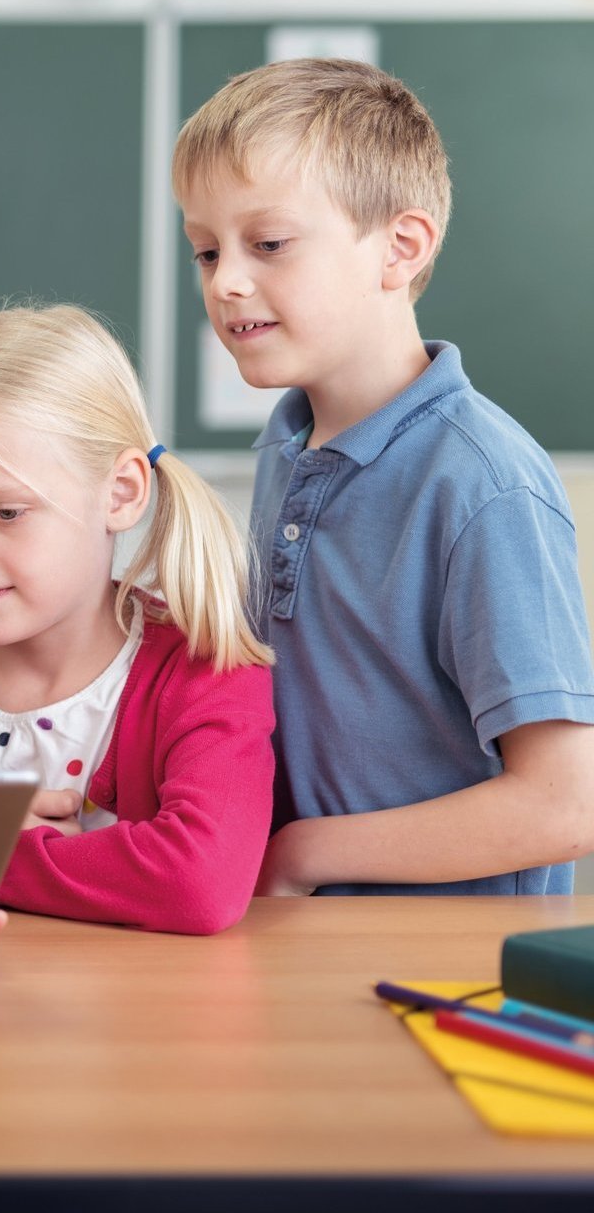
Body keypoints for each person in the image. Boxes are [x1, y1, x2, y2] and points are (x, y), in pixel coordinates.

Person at [175, 58, 594, 895]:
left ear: (400, 248)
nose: (226, 281)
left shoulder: (483, 486)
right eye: (206, 250)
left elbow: (562, 804)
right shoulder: (284, 450)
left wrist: (301, 855)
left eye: (268, 244)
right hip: (307, 950)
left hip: (447, 977)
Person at [0, 304, 275, 965]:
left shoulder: (204, 671)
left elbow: (200, 881)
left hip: (138, 1026)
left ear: (119, 493)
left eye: (6, 512)